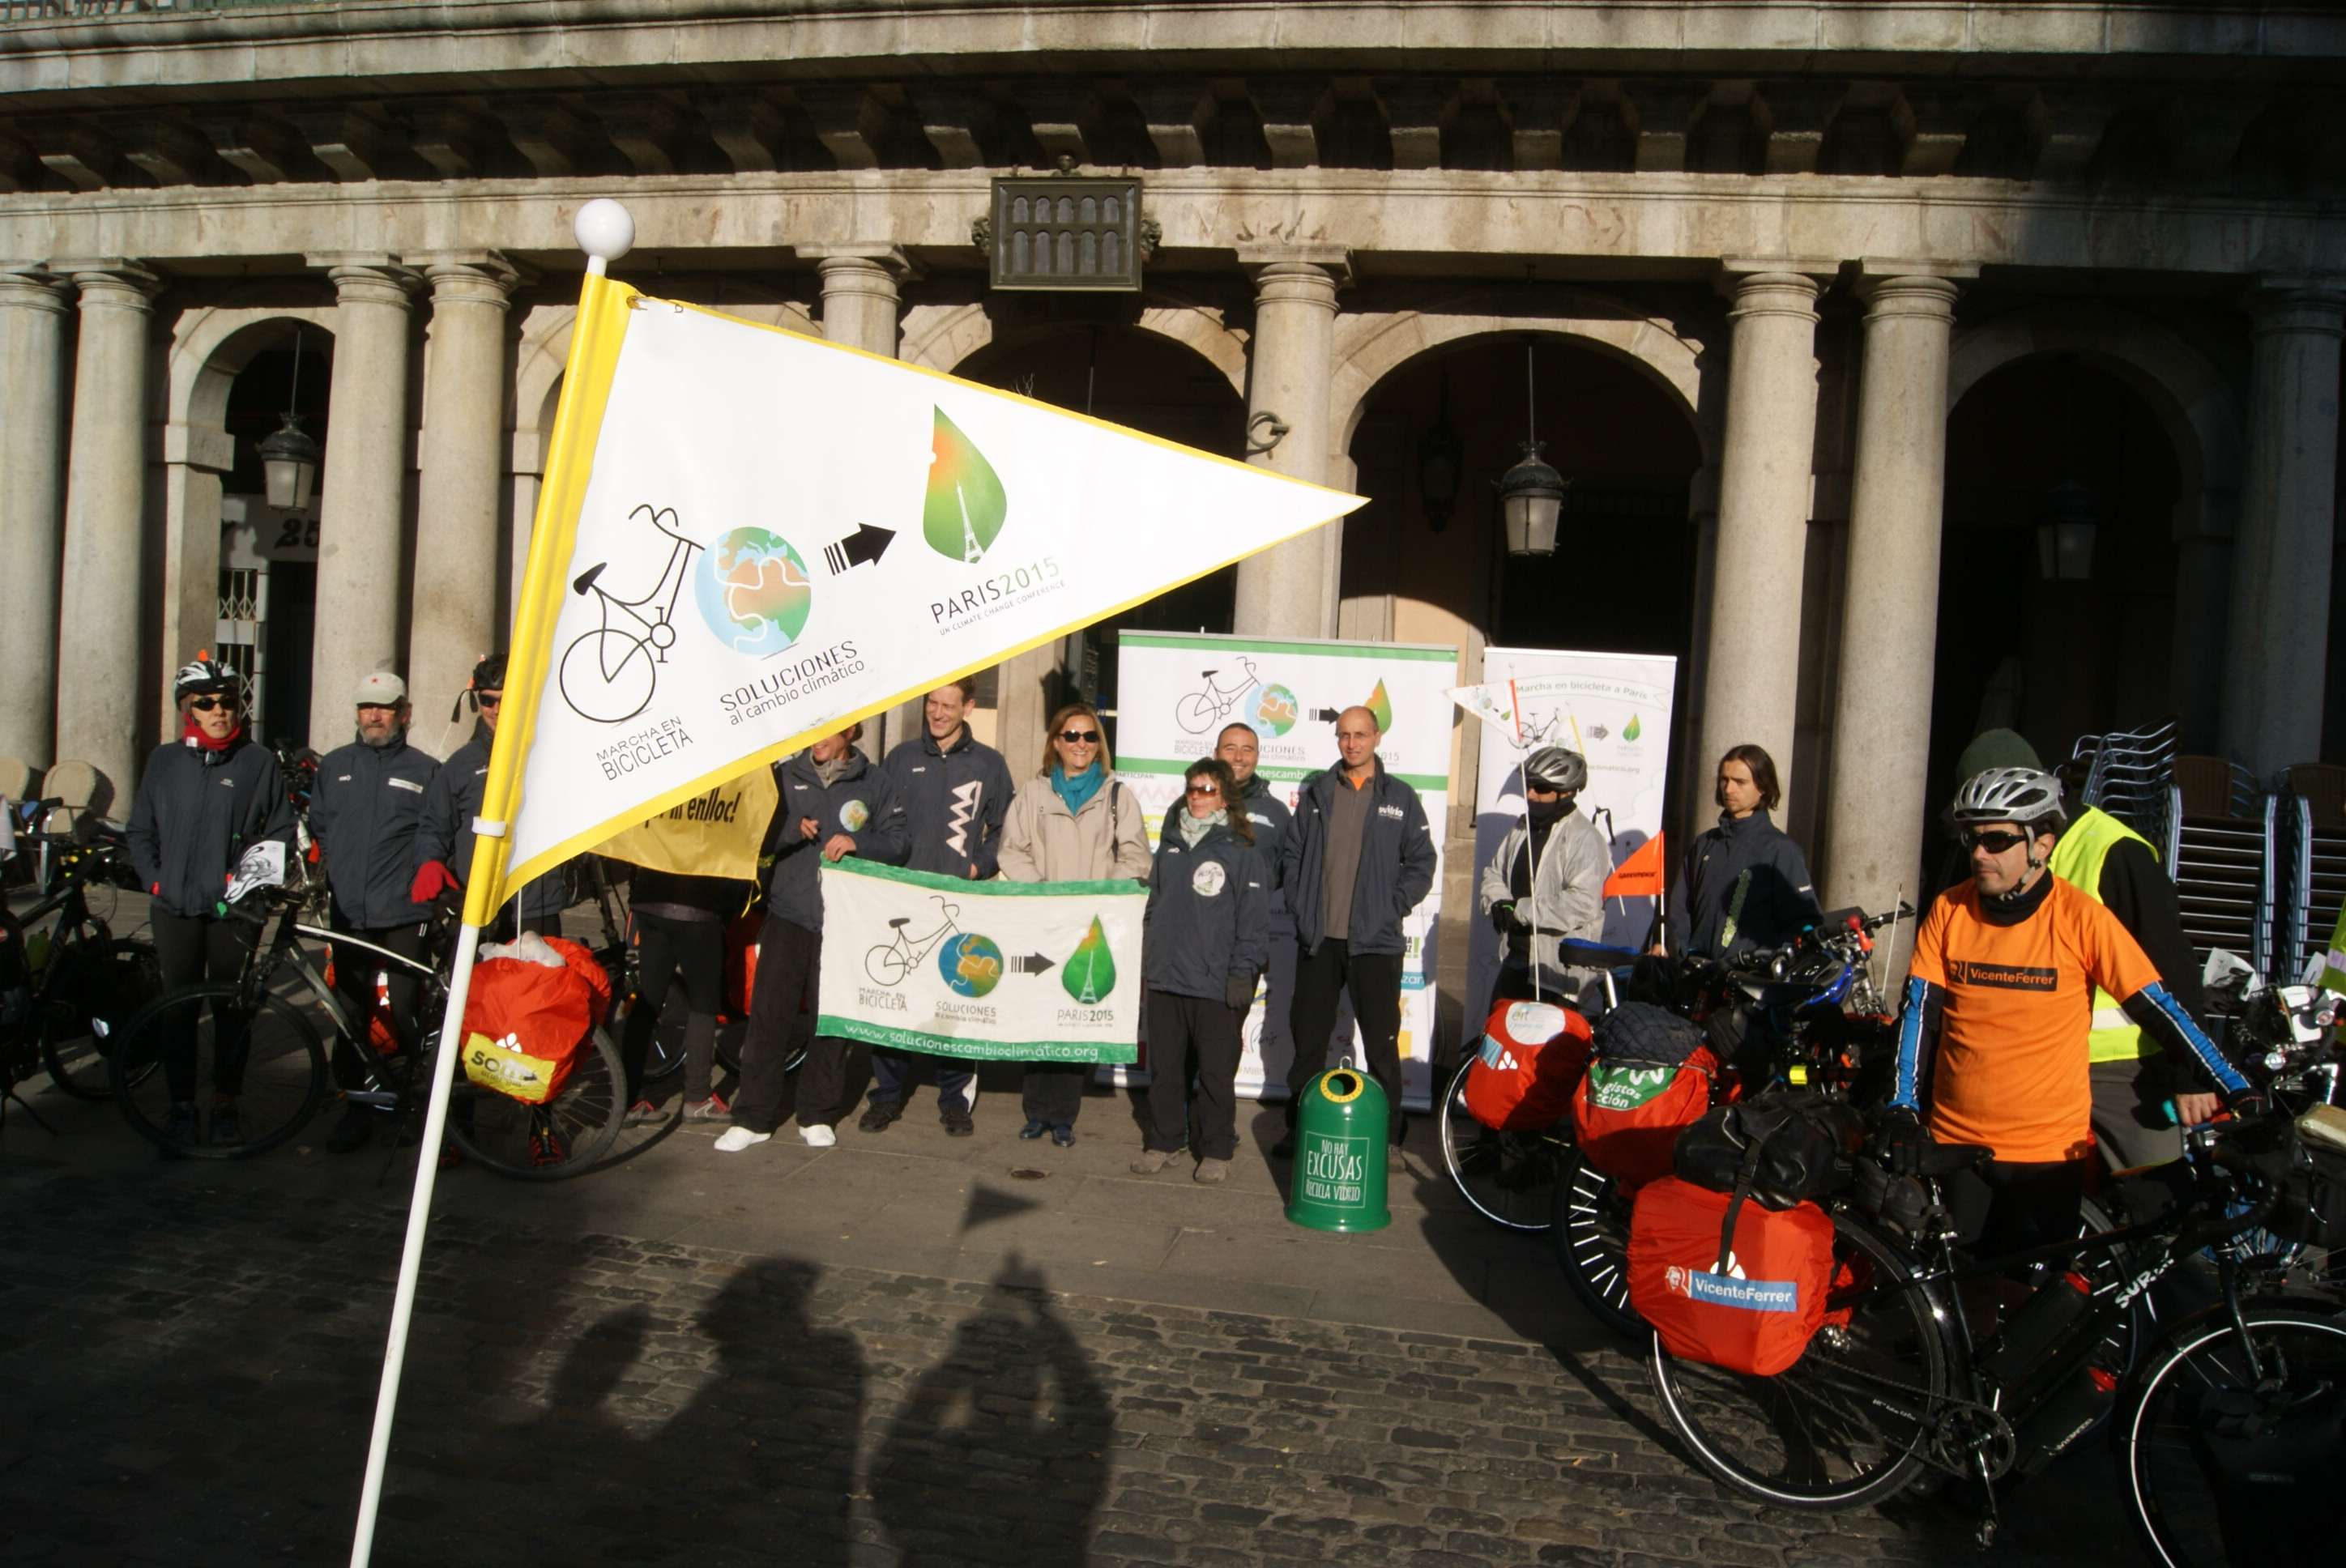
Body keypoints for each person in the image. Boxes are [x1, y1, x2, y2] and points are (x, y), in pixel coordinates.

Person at [1878, 766, 2255, 1262]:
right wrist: (1901, 1107)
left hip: (2048, 1155)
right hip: (1956, 1144)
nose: (1979, 854)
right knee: (1960, 1305)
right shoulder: (1950, 909)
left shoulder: (2081, 917)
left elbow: (2160, 1007)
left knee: (2034, 1312)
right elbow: (1918, 1016)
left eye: (1997, 839)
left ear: (2042, 844)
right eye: (1972, 838)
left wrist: (2234, 1087)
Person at [1955, 729, 2218, 1168]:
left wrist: (2192, 1074)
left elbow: (2173, 965)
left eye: (1995, 832)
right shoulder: (1984, 854)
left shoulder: (2113, 851)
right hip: (2024, 1066)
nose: (1980, 847)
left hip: (2115, 1071)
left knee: (2154, 1197)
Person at [125, 657, 296, 1148]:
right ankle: (180, 1105)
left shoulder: (257, 762)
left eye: (227, 701)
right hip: (174, 906)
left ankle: (226, 1102)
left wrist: (249, 884)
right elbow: (141, 831)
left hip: (233, 912)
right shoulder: (165, 761)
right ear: (188, 710)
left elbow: (280, 831)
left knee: (231, 1009)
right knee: (177, 1010)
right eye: (206, 703)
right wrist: (156, 881)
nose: (219, 711)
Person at [719, 722, 908, 1153]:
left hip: (843, 923)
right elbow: (756, 840)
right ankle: (752, 1117)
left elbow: (899, 843)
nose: (815, 739)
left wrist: (858, 842)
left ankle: (818, 1114)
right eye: (811, 730)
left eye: (826, 731)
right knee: (768, 1019)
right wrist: (791, 832)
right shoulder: (786, 778)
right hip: (788, 916)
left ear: (850, 733)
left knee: (830, 1021)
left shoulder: (875, 781)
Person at [1277, 705, 1436, 1165]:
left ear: (1377, 737)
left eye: (1360, 735)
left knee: (1382, 1044)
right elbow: (1292, 854)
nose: (1352, 744)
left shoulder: (1400, 797)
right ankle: (1299, 1127)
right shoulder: (1317, 793)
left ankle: (1389, 1137)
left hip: (1376, 942)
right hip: (1319, 940)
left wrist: (1390, 908)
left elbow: (1422, 862)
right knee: (1309, 1042)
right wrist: (1300, 904)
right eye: (1344, 735)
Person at [995, 701, 1150, 1144]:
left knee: (1075, 1016)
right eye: (1071, 736)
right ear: (1056, 743)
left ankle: (1063, 1113)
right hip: (1043, 920)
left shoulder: (1118, 795)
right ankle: (1035, 1110)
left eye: (1087, 736)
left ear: (1097, 744)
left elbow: (1136, 856)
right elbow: (1011, 849)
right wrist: (1043, 890)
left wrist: (1096, 897)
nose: (1079, 744)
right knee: (1039, 1015)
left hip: (1091, 925)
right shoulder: (1033, 793)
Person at [872, 679, 1014, 1128]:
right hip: (904, 897)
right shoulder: (901, 758)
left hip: (958, 903)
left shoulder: (989, 763)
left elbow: (1005, 829)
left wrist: (979, 867)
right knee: (893, 1000)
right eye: (931, 703)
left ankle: (954, 1101)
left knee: (956, 1002)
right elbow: (880, 821)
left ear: (968, 707)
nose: (936, 713)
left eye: (947, 705)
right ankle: (887, 1096)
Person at [307, 671, 440, 1153]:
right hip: (348, 910)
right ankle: (357, 1105)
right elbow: (320, 824)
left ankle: (408, 1100)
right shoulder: (335, 766)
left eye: (384, 707)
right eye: (367, 707)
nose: (374, 716)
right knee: (351, 1013)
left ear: (404, 712)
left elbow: (435, 831)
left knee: (405, 1009)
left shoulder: (426, 768)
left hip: (404, 910)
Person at [1132, 759, 1269, 1184]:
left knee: (1214, 1072)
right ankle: (1165, 1141)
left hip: (1214, 982)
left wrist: (1241, 974)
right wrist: (1149, 962)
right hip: (1167, 977)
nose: (1198, 797)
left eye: (1208, 790)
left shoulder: (1242, 851)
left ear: (1225, 796)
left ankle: (1216, 1148)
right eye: (1193, 789)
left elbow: (1254, 922)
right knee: (1166, 1069)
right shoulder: (1169, 846)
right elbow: (1153, 908)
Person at [412, 653, 569, 940]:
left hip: (535, 899)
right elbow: (435, 824)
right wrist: (429, 861)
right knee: (477, 985)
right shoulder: (461, 764)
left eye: (504, 699)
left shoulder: (550, 753)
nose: (496, 709)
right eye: (487, 700)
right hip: (477, 900)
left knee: (538, 985)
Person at [618, 862, 752, 1127]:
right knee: (704, 1003)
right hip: (698, 906)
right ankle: (698, 1097)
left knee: (648, 1002)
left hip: (650, 899)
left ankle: (626, 1100)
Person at [1661, 743, 1818, 959]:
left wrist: (1763, 963)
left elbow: (1803, 922)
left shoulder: (1781, 850)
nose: (1728, 789)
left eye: (1740, 782)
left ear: (1762, 787)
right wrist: (1674, 949)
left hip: (1748, 980)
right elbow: (1680, 909)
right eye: (1724, 780)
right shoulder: (1705, 843)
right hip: (1694, 975)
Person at [1478, 746, 1607, 1004]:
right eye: (1529, 785)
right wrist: (1499, 902)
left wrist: (1518, 910)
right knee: (1495, 1039)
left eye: (1542, 789)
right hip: (1516, 960)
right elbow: (1494, 871)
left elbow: (1582, 904)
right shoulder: (1522, 827)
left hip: (1556, 972)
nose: (1530, 794)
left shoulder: (1584, 838)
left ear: (1567, 792)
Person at [1217, 722, 1293, 1054]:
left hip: (1244, 947)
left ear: (1258, 757)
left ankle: (1214, 1106)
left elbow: (1285, 871)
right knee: (1185, 1036)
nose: (1238, 756)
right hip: (1193, 944)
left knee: (1225, 1035)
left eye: (1247, 749)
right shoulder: (1192, 803)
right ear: (1216, 753)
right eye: (1230, 748)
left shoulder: (1276, 813)